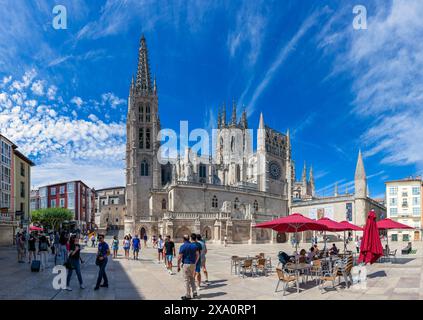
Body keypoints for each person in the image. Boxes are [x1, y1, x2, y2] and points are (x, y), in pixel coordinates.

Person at [177, 234, 199, 300]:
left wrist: (178, 265)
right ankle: (194, 292)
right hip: (193, 264)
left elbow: (179, 257)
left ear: (183, 239)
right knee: (192, 278)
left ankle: (188, 295)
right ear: (189, 239)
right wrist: (195, 262)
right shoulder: (194, 246)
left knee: (186, 280)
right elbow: (198, 255)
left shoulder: (183, 246)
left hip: (186, 264)